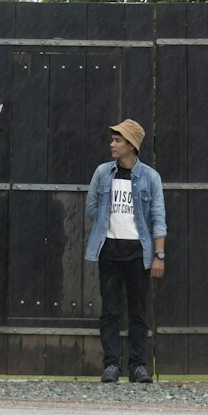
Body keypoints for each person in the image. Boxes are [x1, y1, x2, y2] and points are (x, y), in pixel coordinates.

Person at [84, 118, 166, 384]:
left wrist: (159, 254)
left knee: (139, 312)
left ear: (131, 145)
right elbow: (92, 208)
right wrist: (106, 231)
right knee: (110, 310)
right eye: (113, 139)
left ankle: (138, 366)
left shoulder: (150, 177)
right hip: (109, 250)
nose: (112, 144)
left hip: (138, 253)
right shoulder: (102, 173)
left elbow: (158, 217)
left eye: (118, 140)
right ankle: (110, 366)